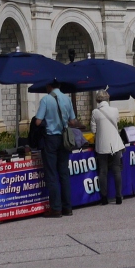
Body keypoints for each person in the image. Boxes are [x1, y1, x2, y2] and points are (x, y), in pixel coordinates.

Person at [33, 82, 82, 217]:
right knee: (64, 173)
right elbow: (73, 121)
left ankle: (56, 208)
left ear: (49, 86)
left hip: (51, 139)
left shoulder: (46, 99)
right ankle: (68, 207)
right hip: (64, 138)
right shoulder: (67, 99)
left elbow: (38, 121)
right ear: (59, 85)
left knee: (52, 174)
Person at [90, 90, 124, 205]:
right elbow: (117, 123)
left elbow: (93, 130)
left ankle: (104, 198)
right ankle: (119, 196)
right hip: (115, 144)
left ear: (97, 100)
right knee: (116, 170)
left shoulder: (95, 112)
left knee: (103, 171)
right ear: (108, 99)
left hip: (102, 145)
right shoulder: (115, 110)